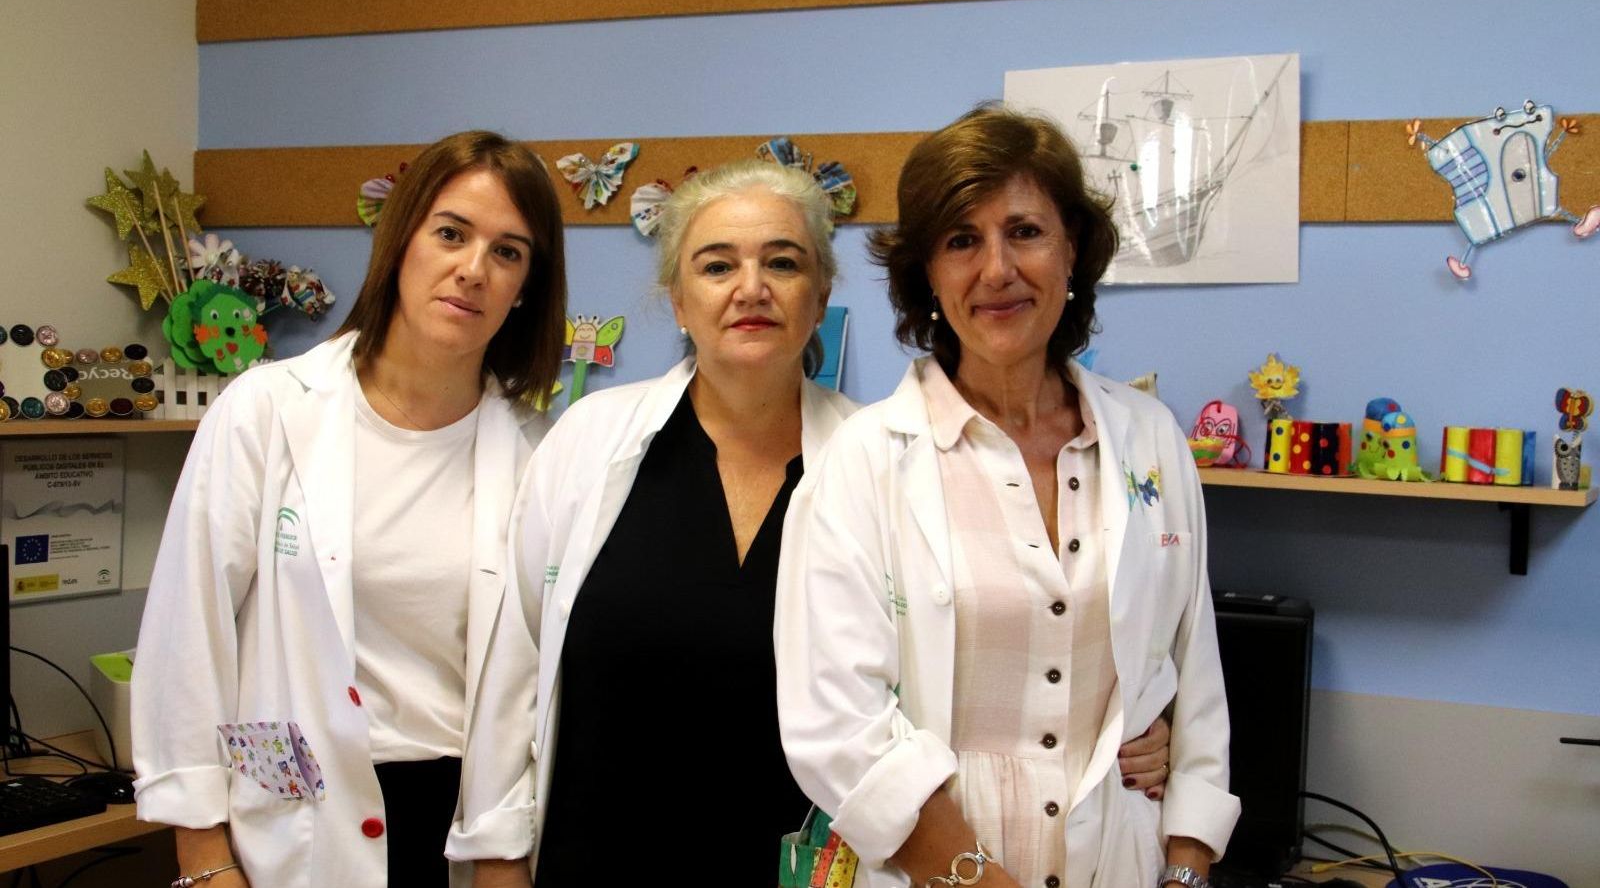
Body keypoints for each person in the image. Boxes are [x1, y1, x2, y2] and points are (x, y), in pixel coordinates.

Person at [465, 159, 1173, 887]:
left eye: (783, 262)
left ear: (822, 295)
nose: (752, 288)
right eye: (716, 266)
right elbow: (511, 666)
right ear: (678, 300)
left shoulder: (880, 460)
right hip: (598, 857)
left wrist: (1128, 733)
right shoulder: (588, 442)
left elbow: (989, 656)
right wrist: (495, 857)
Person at [775, 104, 1239, 888]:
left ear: (1071, 253)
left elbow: (1195, 681)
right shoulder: (862, 462)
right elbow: (837, 728)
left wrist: (1187, 866)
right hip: (936, 873)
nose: (996, 270)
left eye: (1024, 231)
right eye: (962, 241)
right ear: (926, 273)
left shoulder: (1149, 439)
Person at [130, 130, 568, 888]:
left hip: (462, 828)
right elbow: (187, 637)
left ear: (526, 284)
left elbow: (531, 685)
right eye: (451, 234)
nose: (472, 270)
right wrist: (203, 859)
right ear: (402, 243)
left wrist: (503, 854)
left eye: (508, 252)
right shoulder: (269, 410)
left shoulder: (539, 451)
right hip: (296, 830)